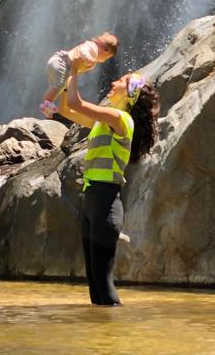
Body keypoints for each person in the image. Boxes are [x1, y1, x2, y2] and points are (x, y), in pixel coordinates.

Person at [64, 68, 160, 306]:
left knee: (103, 283)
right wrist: (64, 82)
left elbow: (77, 102)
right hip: (91, 203)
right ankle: (100, 339)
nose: (114, 82)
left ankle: (115, 337)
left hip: (106, 205)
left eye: (121, 81)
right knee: (94, 286)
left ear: (129, 95)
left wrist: (73, 67)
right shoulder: (103, 122)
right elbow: (67, 108)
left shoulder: (121, 120)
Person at [39, 32, 118, 118]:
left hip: (58, 63)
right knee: (59, 85)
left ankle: (47, 103)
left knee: (56, 87)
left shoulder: (93, 52)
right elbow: (83, 50)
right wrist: (88, 57)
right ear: (105, 51)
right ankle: (47, 103)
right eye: (107, 57)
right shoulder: (92, 47)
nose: (105, 60)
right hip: (62, 62)